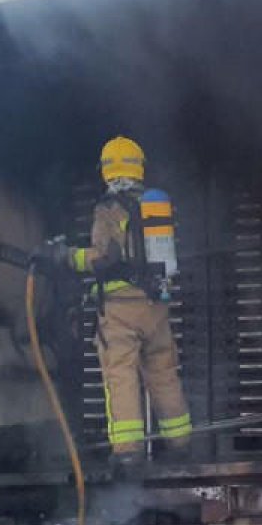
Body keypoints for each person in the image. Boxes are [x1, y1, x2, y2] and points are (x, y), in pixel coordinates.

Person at [33, 136, 190, 466]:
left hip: (121, 308)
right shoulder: (155, 206)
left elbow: (105, 257)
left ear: (106, 169)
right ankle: (181, 444)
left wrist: (64, 257)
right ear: (139, 167)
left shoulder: (109, 208)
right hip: (155, 304)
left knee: (120, 374)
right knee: (163, 371)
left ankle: (128, 453)